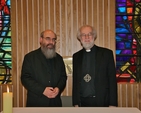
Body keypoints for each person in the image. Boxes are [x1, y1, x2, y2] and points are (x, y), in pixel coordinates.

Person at [72, 25, 117, 107]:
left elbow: (112, 80)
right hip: (82, 102)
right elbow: (75, 81)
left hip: (102, 101)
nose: (87, 37)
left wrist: (112, 103)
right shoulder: (76, 56)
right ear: (80, 38)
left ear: (94, 36)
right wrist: (75, 102)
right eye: (83, 35)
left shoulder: (106, 54)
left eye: (90, 34)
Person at [21, 29, 67, 107]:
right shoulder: (30, 57)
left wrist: (58, 88)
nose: (51, 42)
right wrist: (43, 90)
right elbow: (25, 78)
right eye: (48, 38)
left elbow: (63, 77)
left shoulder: (59, 58)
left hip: (55, 103)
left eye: (53, 40)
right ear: (41, 40)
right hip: (36, 103)